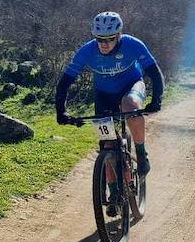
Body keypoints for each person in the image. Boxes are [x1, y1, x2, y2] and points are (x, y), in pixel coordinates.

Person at [54, 11, 164, 185]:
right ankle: (113, 193)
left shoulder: (132, 44)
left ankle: (142, 154)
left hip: (132, 85)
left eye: (109, 39)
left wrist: (156, 101)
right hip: (104, 95)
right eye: (99, 39)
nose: (104, 44)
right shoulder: (87, 51)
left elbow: (155, 73)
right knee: (108, 145)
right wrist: (61, 112)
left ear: (119, 35)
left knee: (130, 105)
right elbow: (65, 82)